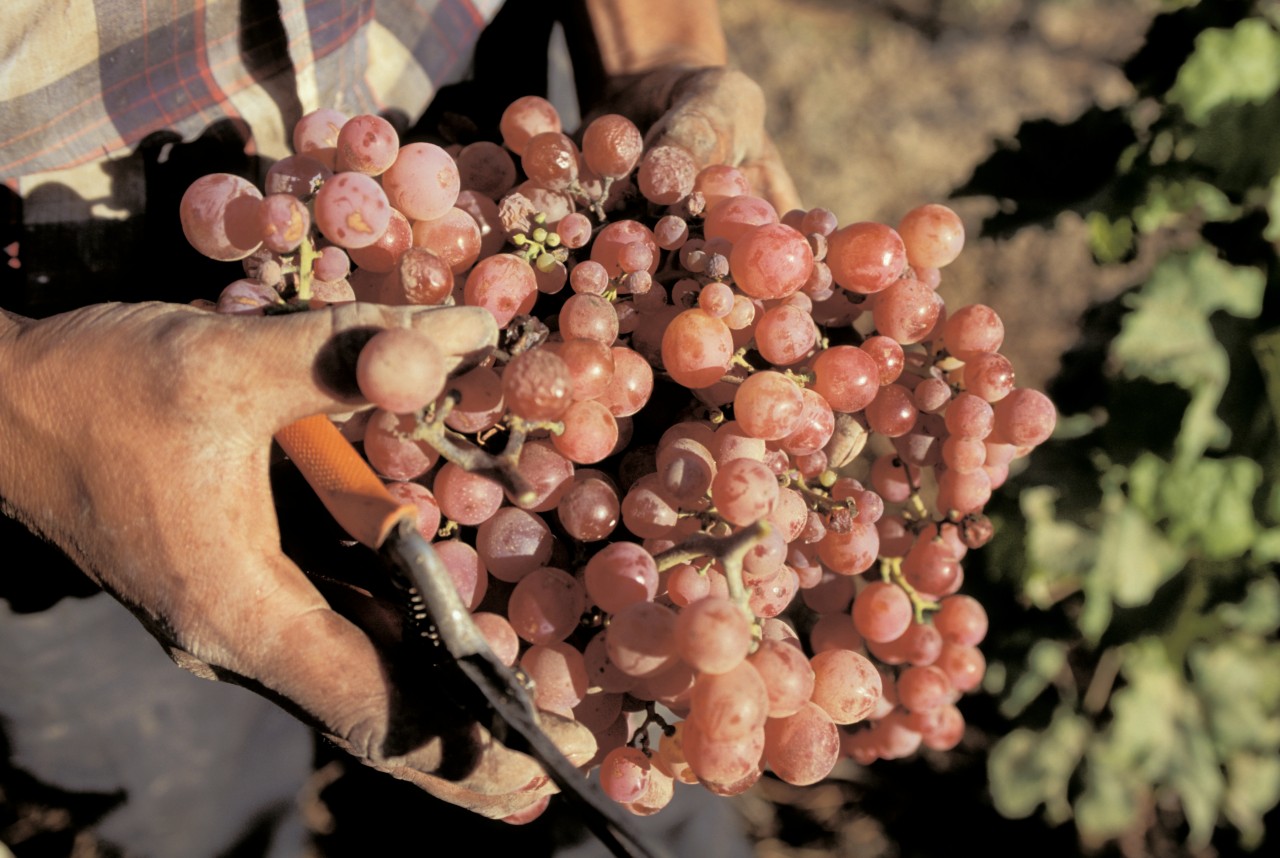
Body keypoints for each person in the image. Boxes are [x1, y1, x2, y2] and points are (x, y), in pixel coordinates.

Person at [0, 1, 799, 853]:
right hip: (62, 363)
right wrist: (25, 404)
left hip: (481, 143)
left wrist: (656, 41)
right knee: (197, 801)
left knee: (591, 737)